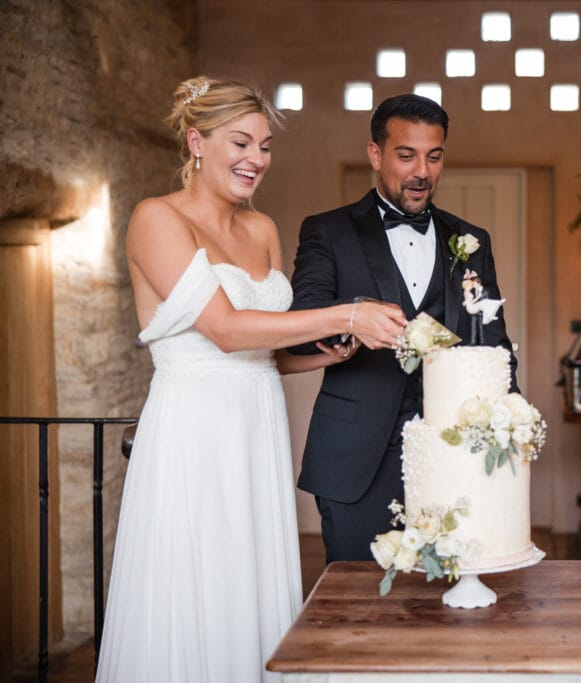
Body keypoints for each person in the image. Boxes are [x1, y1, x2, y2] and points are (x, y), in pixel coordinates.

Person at [95, 76, 406, 682]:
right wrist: (348, 311)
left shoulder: (261, 229)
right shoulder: (155, 219)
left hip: (255, 427)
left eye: (264, 146)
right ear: (196, 142)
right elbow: (228, 331)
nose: (256, 160)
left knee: (250, 577)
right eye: (241, 143)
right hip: (194, 430)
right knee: (197, 578)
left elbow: (270, 352)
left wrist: (329, 352)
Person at [285, 93, 517, 563]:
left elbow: (492, 340)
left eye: (434, 156)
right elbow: (299, 327)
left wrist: (508, 429)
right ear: (376, 154)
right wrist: (354, 318)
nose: (422, 172)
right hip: (357, 458)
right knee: (359, 606)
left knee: (448, 599)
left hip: (453, 455)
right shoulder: (329, 232)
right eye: (406, 155)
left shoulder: (471, 241)